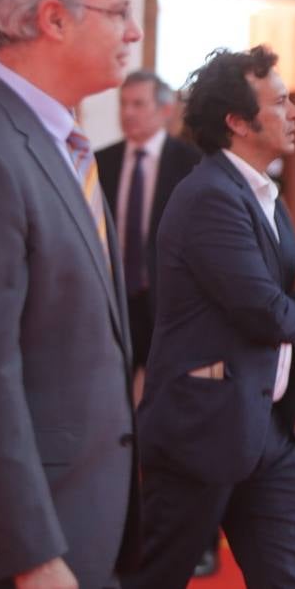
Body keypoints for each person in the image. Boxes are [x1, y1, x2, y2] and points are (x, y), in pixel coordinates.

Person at [127, 45, 295, 589]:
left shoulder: (264, 197)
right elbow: (270, 318)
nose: (294, 112)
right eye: (279, 102)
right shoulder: (210, 197)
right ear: (237, 121)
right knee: (155, 578)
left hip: (264, 432)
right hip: (201, 433)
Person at [0, 0, 141, 589]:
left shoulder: (62, 144)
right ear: (53, 20)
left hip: (86, 517)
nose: (132, 34)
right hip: (32, 543)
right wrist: (32, 553)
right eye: (119, 13)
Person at [96, 70, 201, 376]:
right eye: (123, 103)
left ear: (165, 110)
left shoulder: (190, 164)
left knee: (164, 401)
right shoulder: (100, 163)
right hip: (114, 303)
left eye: (138, 104)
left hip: (168, 306)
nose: (127, 113)